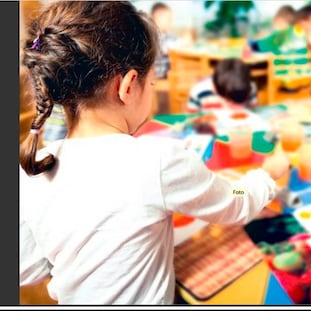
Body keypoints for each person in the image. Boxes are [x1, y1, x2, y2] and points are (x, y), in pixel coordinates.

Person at [19, 1, 290, 305]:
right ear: (128, 86)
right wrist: (266, 177)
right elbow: (234, 201)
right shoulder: (158, 161)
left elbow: (25, 265)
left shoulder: (34, 168)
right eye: (152, 82)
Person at [187, 58, 258, 113]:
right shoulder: (199, 91)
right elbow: (192, 116)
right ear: (214, 89)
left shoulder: (249, 87)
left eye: (238, 103)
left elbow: (253, 110)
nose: (234, 108)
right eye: (229, 101)